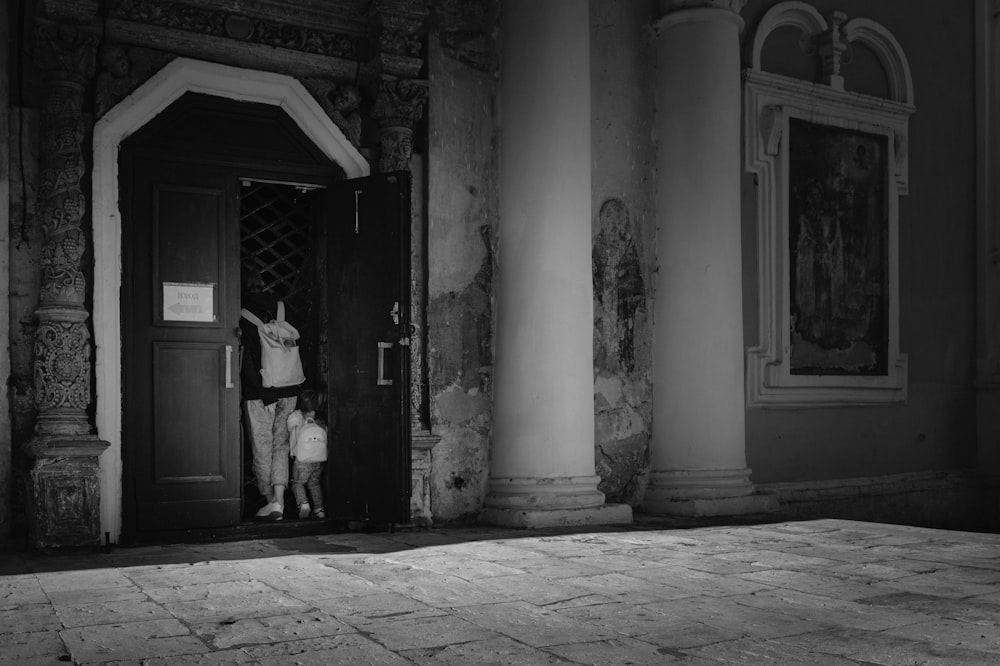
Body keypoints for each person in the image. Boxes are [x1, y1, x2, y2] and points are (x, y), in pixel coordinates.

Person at [240, 269, 303, 521]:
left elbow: (247, 361)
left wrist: (264, 394)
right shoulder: (281, 307)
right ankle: (279, 498)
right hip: (289, 388)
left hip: (260, 393)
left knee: (262, 447)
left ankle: (270, 502)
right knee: (281, 445)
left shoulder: (242, 314)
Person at [287, 388, 328, 520]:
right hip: (318, 460)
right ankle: (319, 509)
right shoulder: (320, 420)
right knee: (314, 483)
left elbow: (289, 427)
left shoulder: (296, 417)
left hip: (301, 460)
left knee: (298, 483)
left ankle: (303, 504)